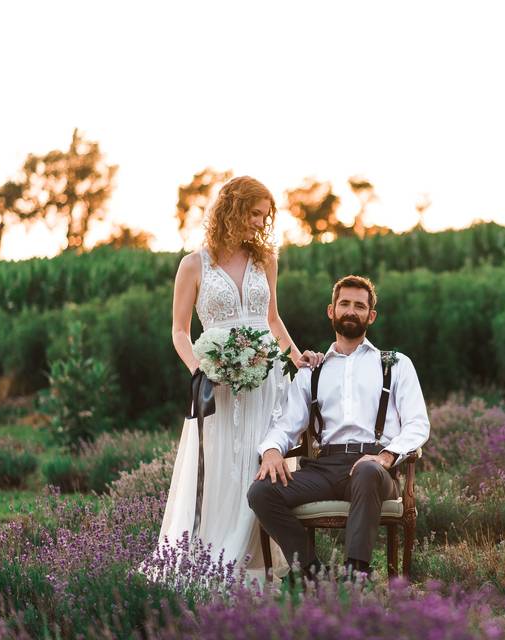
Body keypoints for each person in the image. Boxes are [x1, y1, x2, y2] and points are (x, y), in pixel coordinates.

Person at [156, 176, 323, 582]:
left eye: (263, 217)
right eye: (252, 213)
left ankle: (264, 563)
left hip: (267, 382)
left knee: (261, 463)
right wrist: (199, 368)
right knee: (222, 468)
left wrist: (296, 356)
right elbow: (179, 330)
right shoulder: (193, 265)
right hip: (220, 386)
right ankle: (215, 559)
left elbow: (272, 320)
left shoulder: (266, 259)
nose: (257, 223)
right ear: (231, 207)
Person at [247, 275, 430, 579]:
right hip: (324, 468)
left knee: (367, 471)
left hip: (374, 470)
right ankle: (311, 571)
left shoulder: (395, 364)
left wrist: (385, 457)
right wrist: (270, 451)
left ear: (370, 316)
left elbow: (418, 424)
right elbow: (286, 424)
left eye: (359, 306)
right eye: (344, 303)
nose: (351, 311)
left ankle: (355, 574)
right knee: (261, 492)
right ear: (331, 311)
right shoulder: (312, 371)